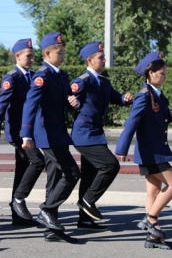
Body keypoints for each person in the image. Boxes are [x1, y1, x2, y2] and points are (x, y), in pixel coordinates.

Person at [21, 32, 80, 242]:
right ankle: (46, 209)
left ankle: (52, 231)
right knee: (72, 173)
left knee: (55, 179)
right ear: (47, 53)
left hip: (58, 133)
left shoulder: (61, 75)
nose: (63, 55)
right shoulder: (42, 75)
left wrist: (72, 104)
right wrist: (26, 133)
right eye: (59, 52)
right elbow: (30, 104)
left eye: (63, 51)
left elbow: (60, 102)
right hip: (46, 134)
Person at [70, 41, 133, 231]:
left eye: (104, 57)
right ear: (89, 60)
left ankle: (84, 220)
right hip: (84, 134)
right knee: (110, 165)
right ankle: (88, 201)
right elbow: (66, 101)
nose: (104, 60)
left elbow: (116, 98)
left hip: (96, 133)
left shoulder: (104, 81)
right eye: (101, 58)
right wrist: (72, 103)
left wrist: (126, 98)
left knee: (89, 175)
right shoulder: (81, 81)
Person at [116, 51, 172, 250]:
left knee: (153, 192)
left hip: (156, 151)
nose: (164, 77)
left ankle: (152, 237)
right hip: (152, 152)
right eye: (161, 73)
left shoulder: (157, 95)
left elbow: (164, 117)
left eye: (165, 73)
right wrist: (121, 147)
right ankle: (151, 218)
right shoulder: (144, 96)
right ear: (150, 74)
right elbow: (132, 123)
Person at [0, 38, 45, 226]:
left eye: (32, 56)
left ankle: (17, 215)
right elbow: (1, 106)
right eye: (28, 56)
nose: (31, 59)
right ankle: (18, 200)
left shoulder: (33, 75)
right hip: (17, 131)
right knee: (37, 161)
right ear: (17, 56)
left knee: (22, 169)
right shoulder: (11, 77)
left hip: (30, 131)